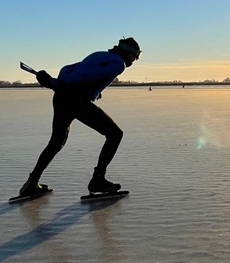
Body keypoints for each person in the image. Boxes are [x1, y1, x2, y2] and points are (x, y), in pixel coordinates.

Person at [18, 37, 141, 198]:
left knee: (56, 142)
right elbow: (82, 77)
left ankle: (32, 182)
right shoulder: (119, 63)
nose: (135, 60)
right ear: (128, 52)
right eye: (136, 56)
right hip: (76, 100)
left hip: (62, 98)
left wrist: (55, 83)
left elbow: (68, 69)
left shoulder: (99, 54)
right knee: (115, 134)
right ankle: (98, 180)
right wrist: (55, 83)